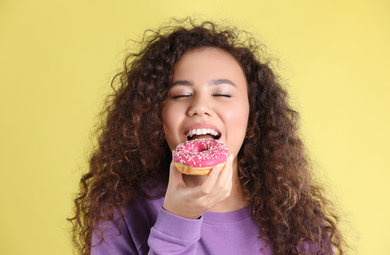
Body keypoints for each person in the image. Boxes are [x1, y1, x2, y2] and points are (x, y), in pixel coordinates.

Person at [69, 18, 346, 254]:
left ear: (252, 119)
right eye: (181, 95)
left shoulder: (297, 224)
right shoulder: (120, 211)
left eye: (223, 94)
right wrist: (177, 221)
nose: (200, 107)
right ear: (157, 117)